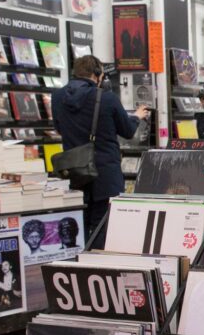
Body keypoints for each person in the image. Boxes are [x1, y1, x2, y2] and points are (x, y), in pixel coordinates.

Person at [52, 55, 150, 234]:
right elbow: (127, 131)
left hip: (75, 173)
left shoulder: (58, 97)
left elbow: (59, 128)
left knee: (79, 227)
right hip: (105, 175)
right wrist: (136, 116)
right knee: (102, 230)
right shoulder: (106, 98)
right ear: (97, 74)